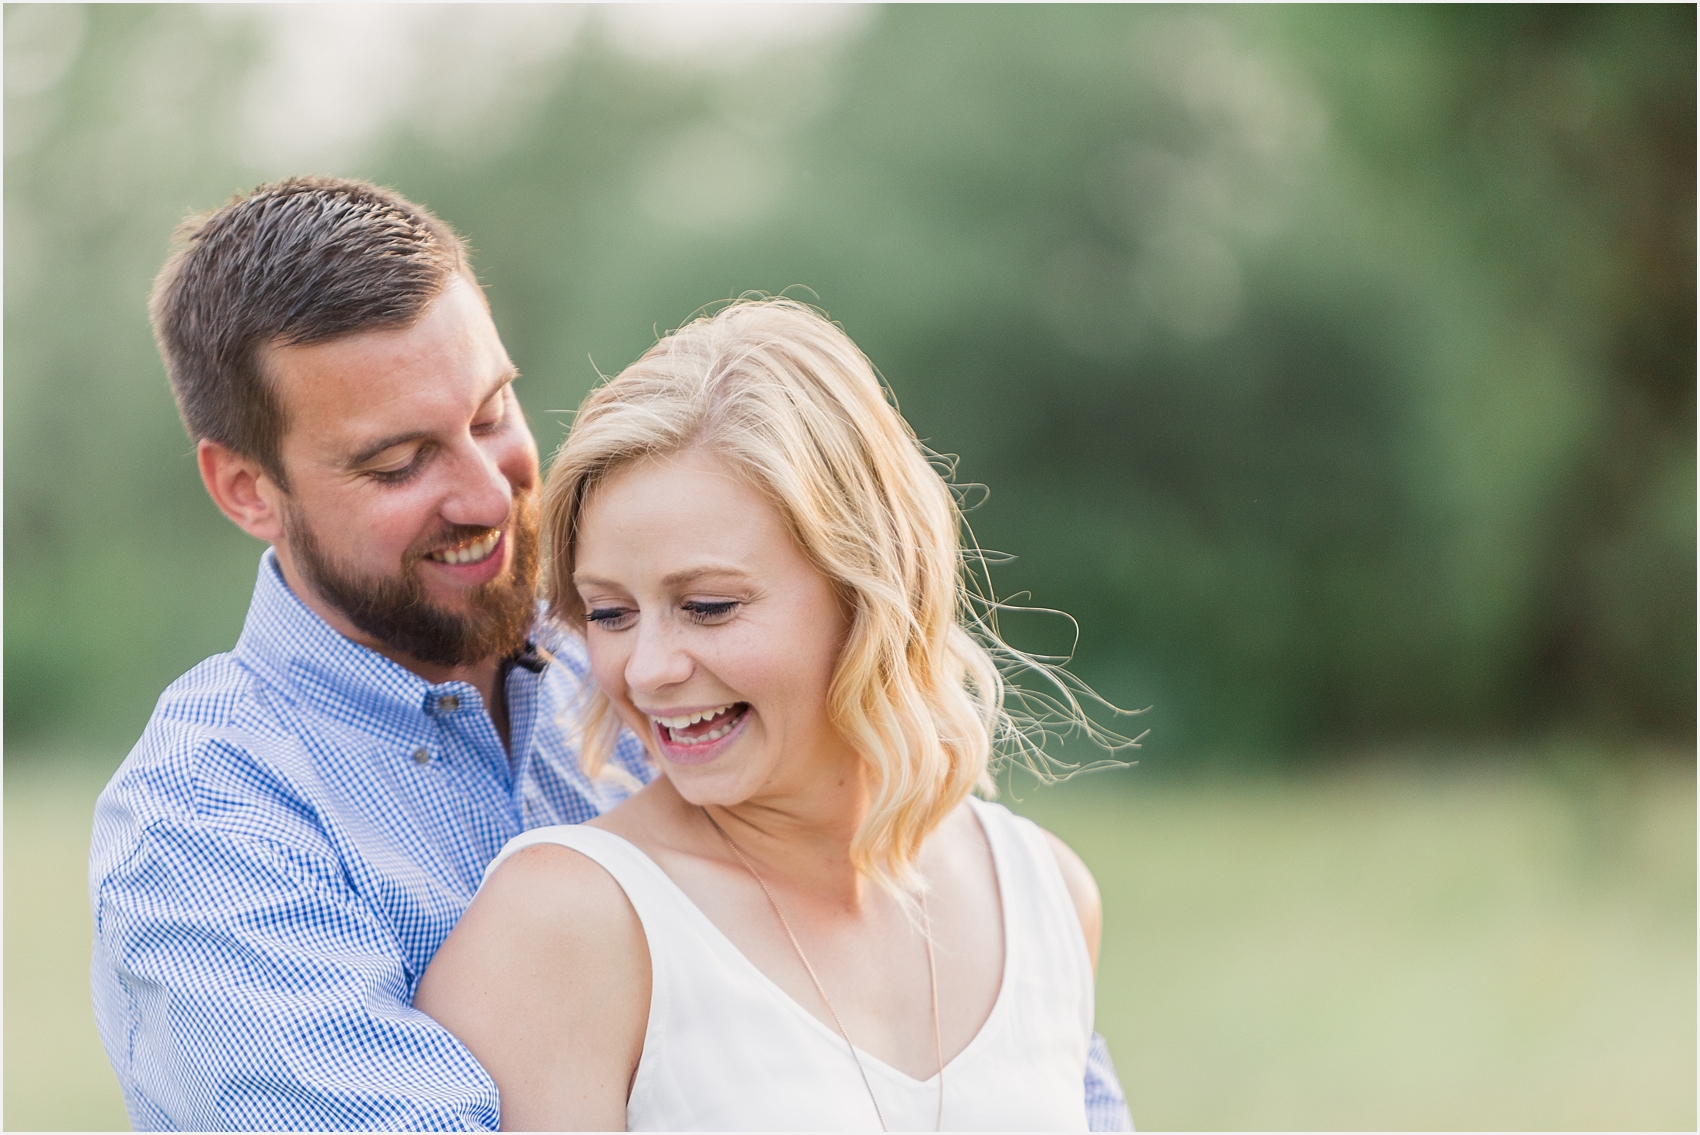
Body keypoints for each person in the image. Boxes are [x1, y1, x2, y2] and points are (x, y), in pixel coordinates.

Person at [89, 176, 1133, 1130]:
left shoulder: (637, 669)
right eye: (398, 462)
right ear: (244, 488)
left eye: (491, 414)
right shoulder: (209, 822)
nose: (487, 493)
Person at [416, 298, 1120, 1131]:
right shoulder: (565, 924)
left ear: (867, 592)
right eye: (610, 613)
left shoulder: (1044, 893)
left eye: (708, 605)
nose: (647, 669)